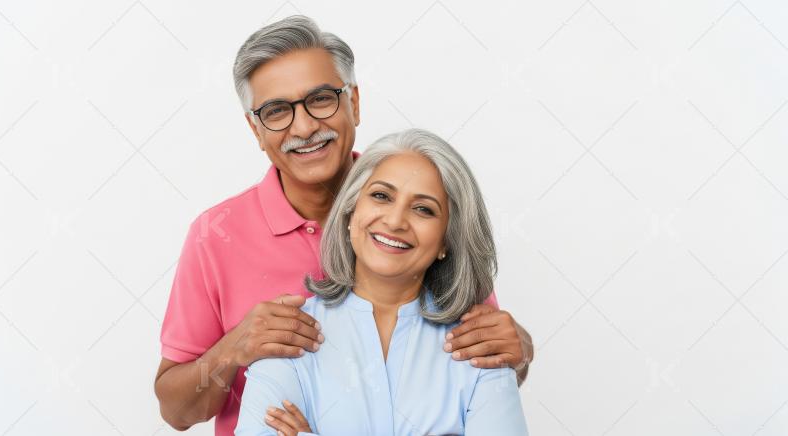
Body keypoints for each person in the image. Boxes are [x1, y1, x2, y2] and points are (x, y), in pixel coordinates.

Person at [155, 16, 533, 435]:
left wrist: (521, 349)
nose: (304, 127)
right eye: (276, 111)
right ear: (256, 129)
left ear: (353, 102)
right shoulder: (215, 235)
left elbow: (478, 367)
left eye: (320, 99)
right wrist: (235, 348)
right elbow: (176, 411)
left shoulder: (421, 207)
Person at [235, 129, 528, 435]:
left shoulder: (479, 348)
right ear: (351, 211)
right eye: (381, 196)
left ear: (446, 241)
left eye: (423, 209)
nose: (395, 221)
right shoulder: (289, 335)